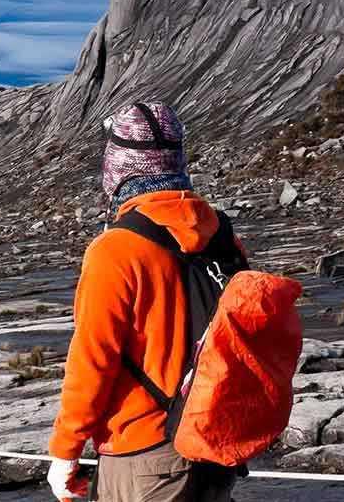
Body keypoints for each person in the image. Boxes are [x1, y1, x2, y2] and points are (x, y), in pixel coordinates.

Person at [47, 101, 242, 502]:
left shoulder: (116, 249)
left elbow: (92, 360)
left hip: (143, 451)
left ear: (116, 166)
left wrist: (65, 450)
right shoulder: (222, 236)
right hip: (214, 442)